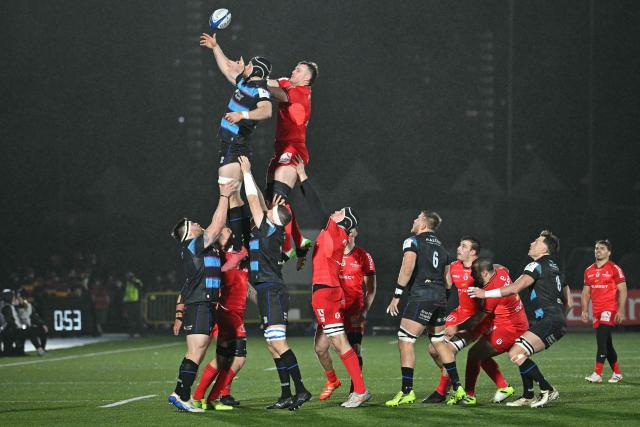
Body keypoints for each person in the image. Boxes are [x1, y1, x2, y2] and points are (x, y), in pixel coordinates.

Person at [291, 158, 370, 408]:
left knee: (339, 343)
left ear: (343, 223)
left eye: (340, 213)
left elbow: (315, 205)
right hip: (324, 292)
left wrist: (303, 176)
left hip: (327, 293)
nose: (335, 212)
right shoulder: (331, 234)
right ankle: (335, 380)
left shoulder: (335, 230)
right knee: (322, 346)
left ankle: (360, 390)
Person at [238, 156, 312, 411]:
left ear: (273, 218)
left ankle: (301, 389)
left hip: (271, 290)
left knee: (278, 343)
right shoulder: (271, 228)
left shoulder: (268, 229)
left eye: (269, 210)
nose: (266, 207)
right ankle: (285, 394)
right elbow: (260, 202)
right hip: (267, 289)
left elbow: (252, 199)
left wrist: (247, 172)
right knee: (272, 345)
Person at [468, 230, 571, 408]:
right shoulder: (555, 268)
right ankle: (528, 395)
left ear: (545, 248)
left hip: (549, 319)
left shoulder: (535, 265)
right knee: (521, 351)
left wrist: (485, 292)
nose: (531, 243)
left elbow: (514, 288)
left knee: (516, 352)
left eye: (536, 241)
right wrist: (559, 318)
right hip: (555, 319)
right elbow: (568, 301)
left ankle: (547, 389)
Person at [200, 32, 273, 265]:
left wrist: (242, 114)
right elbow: (228, 70)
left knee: (229, 194)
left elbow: (266, 110)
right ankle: (248, 237)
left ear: (257, 71)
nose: (246, 65)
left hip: (236, 145)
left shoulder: (260, 87)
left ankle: (242, 245)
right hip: (228, 146)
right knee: (233, 197)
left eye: (250, 65)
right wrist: (215, 47)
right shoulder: (246, 80)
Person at [167, 181, 236, 412]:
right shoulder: (193, 245)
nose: (198, 223)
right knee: (196, 351)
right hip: (200, 303)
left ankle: (181, 393)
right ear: (187, 233)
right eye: (192, 223)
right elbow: (216, 226)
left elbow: (219, 227)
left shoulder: (204, 245)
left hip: (205, 303)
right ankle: (181, 394)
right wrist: (224, 195)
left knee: (200, 350)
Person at [386, 212, 466, 407]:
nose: (413, 220)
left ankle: (407, 392)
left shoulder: (412, 241)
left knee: (405, 341)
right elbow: (448, 282)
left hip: (422, 296)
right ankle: (458, 388)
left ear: (423, 223)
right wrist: (441, 302)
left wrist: (397, 295)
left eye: (416, 218)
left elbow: (407, 267)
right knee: (439, 343)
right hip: (439, 298)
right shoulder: (442, 247)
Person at [423, 237, 513, 405]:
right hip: (459, 313)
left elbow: (499, 272)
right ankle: (450, 382)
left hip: (475, 319)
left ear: (473, 252)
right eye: (459, 245)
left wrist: (501, 269)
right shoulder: (455, 266)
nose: (458, 248)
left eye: (463, 246)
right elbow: (445, 284)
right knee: (433, 349)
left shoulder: (480, 269)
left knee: (447, 349)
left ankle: (442, 391)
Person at [265, 61, 319, 268]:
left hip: (294, 150)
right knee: (272, 203)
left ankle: (287, 247)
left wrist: (252, 81)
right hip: (280, 150)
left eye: (299, 69)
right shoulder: (288, 83)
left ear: (306, 78)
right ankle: (300, 241)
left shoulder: (301, 93)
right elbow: (269, 82)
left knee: (278, 200)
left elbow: (275, 92)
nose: (293, 70)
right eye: (294, 67)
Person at [315, 226, 376, 400]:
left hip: (353, 310)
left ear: (356, 232)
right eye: (345, 229)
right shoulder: (333, 252)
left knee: (355, 350)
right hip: (332, 308)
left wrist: (364, 310)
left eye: (351, 229)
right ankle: (332, 379)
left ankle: (356, 390)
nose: (348, 232)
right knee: (320, 348)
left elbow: (371, 288)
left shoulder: (364, 256)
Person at [460, 259, 529, 405]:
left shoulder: (490, 291)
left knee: (473, 354)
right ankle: (504, 387)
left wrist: (456, 328)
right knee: (482, 355)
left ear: (485, 273)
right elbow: (502, 265)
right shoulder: (501, 271)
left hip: (509, 329)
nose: (473, 276)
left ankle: (469, 396)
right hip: (517, 321)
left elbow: (478, 318)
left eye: (476, 273)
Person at [190, 251, 250, 410]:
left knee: (229, 359)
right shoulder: (226, 264)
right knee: (233, 359)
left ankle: (205, 398)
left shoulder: (242, 266)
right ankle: (203, 397)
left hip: (235, 316)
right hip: (227, 315)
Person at [582, 239, 627, 383]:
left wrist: (620, 310)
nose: (598, 251)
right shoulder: (589, 270)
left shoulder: (614, 269)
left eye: (601, 248)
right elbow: (586, 292)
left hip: (609, 308)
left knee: (601, 340)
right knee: (607, 344)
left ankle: (597, 374)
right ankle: (617, 374)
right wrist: (584, 309)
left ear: (609, 252)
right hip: (596, 310)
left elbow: (623, 290)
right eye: (596, 248)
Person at [123, 272, 143, 337]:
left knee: (138, 318)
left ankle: (141, 333)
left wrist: (133, 281)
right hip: (128, 302)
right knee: (130, 319)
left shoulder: (136, 282)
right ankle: (131, 333)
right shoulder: (127, 283)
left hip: (136, 302)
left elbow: (139, 286)